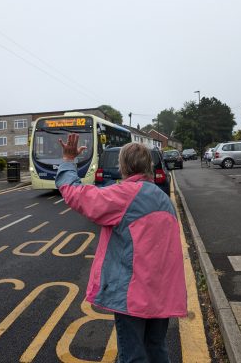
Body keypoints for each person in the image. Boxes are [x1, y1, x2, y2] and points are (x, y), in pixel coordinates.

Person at [55, 134, 187, 363]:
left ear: (123, 166)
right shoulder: (164, 199)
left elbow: (75, 194)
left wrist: (68, 161)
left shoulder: (124, 195)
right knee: (156, 348)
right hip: (162, 291)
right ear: (148, 166)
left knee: (132, 355)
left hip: (134, 294)